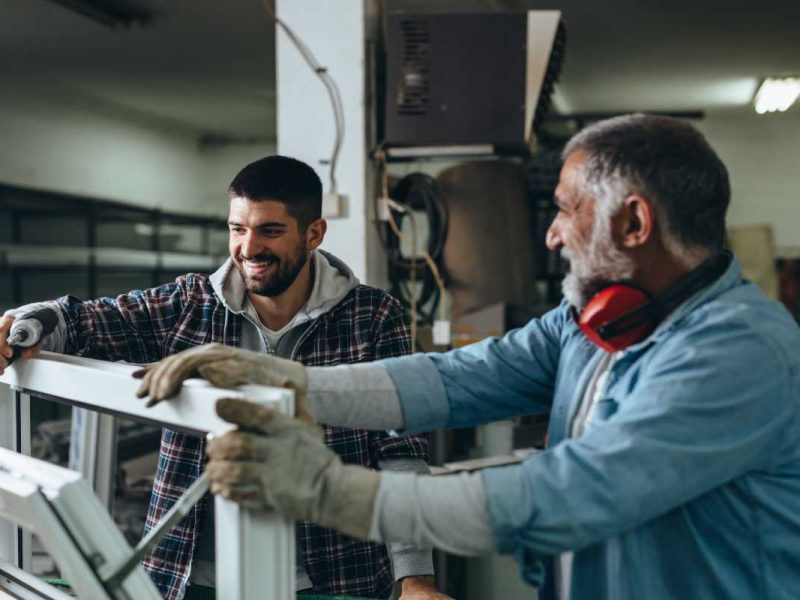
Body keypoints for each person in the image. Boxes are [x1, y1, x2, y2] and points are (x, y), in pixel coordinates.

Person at [136, 115, 800, 599]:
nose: (553, 233)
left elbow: (572, 493)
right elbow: (457, 378)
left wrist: (333, 492)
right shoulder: (593, 320)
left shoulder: (736, 350)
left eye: (568, 211)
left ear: (634, 223)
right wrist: (291, 381)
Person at [0, 156, 449, 600]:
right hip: (188, 577)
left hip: (332, 576)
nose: (249, 248)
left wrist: (415, 579)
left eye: (270, 230)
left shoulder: (372, 317)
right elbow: (82, 320)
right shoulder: (191, 303)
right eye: (238, 229)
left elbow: (399, 454)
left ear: (314, 233)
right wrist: (21, 328)